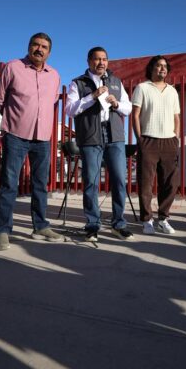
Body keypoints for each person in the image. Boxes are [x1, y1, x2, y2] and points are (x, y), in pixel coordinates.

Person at [0, 33, 64, 250]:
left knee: (40, 184)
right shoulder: (13, 67)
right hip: (15, 134)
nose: (39, 49)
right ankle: (3, 230)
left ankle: (40, 226)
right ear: (29, 46)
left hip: (42, 138)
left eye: (44, 47)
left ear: (49, 52)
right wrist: (17, 118)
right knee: (9, 183)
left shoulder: (55, 75)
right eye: (36, 45)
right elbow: (0, 100)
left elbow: (51, 102)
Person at [64, 46, 134, 242]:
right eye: (97, 59)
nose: (101, 62)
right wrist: (92, 96)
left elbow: (128, 108)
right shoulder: (78, 83)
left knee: (119, 180)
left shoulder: (116, 82)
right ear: (89, 61)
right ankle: (92, 225)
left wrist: (117, 104)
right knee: (91, 182)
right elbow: (70, 110)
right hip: (90, 137)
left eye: (104, 59)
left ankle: (118, 224)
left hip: (114, 136)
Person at [131, 55, 180, 235]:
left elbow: (176, 117)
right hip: (148, 140)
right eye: (159, 65)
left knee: (171, 183)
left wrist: (176, 137)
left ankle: (163, 219)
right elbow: (135, 115)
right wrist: (140, 139)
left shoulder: (172, 91)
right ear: (152, 68)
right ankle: (147, 220)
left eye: (165, 66)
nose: (162, 68)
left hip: (169, 142)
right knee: (145, 184)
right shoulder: (142, 88)